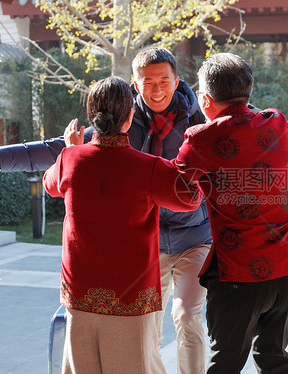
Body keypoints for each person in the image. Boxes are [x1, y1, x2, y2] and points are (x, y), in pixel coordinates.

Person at [0, 46, 288, 373]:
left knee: (190, 318)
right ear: (134, 85)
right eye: (147, 82)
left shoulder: (201, 125)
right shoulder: (126, 120)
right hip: (155, 245)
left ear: (180, 82)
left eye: (164, 80)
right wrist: (1, 159)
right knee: (150, 329)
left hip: (195, 238)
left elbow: (250, 158)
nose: (156, 89)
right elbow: (62, 149)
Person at [173, 52, 288, 374]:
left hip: (240, 274)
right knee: (275, 358)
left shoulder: (200, 139)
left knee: (225, 363)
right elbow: (265, 170)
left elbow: (175, 188)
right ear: (248, 89)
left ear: (206, 100)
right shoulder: (277, 121)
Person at [42, 76, 202, 373]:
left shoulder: (69, 159)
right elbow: (190, 198)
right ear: (129, 117)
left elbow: (51, 185)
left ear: (93, 117)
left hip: (80, 293)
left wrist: (72, 148)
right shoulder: (148, 167)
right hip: (131, 295)